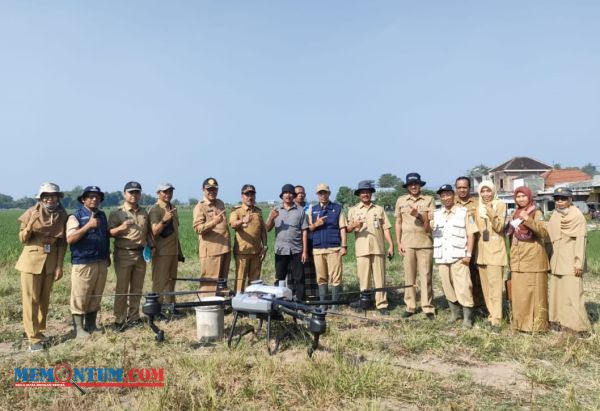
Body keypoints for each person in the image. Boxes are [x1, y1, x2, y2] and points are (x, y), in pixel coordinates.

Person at [16, 182, 68, 352]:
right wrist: (30, 225)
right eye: (47, 196)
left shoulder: (61, 215)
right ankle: (32, 338)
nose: (50, 199)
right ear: (41, 198)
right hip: (31, 261)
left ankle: (39, 331)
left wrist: (59, 265)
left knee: (44, 299)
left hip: (51, 261)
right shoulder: (31, 212)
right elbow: (23, 238)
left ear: (58, 198)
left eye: (53, 196)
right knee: (31, 300)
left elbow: (62, 243)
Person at [109, 181, 154, 331]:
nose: (134, 195)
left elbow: (147, 232)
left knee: (137, 287)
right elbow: (109, 233)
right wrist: (121, 227)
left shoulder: (143, 212)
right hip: (124, 253)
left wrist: (150, 246)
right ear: (124, 194)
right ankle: (119, 319)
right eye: (131, 192)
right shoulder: (117, 212)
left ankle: (134, 316)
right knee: (122, 288)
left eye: (137, 192)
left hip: (140, 254)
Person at [66, 186, 110, 338]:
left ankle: (91, 325)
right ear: (83, 199)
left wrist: (107, 256)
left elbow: (105, 236)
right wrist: (87, 226)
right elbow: (70, 239)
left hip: (101, 261)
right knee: (80, 296)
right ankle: (78, 330)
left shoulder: (102, 215)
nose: (94, 199)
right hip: (83, 262)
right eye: (91, 196)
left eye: (97, 197)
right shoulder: (75, 216)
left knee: (96, 295)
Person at [432, 185, 478, 328]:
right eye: (443, 196)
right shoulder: (436, 214)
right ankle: (454, 313)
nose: (446, 198)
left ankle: (467, 318)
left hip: (459, 256)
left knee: (463, 287)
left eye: (448, 194)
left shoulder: (464, 213)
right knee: (447, 286)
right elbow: (429, 230)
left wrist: (468, 254)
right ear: (440, 198)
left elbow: (471, 234)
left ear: (454, 195)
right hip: (442, 257)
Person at [547, 187, 592, 334]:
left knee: (573, 295)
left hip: (571, 262)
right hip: (557, 261)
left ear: (570, 199)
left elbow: (581, 241)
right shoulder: (555, 215)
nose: (560, 201)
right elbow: (550, 238)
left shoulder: (577, 216)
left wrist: (579, 263)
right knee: (557, 294)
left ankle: (579, 327)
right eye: (557, 198)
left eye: (563, 198)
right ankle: (558, 322)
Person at [347, 180, 394, 315]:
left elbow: (386, 228)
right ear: (359, 194)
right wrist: (355, 225)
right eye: (362, 192)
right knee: (364, 278)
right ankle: (365, 303)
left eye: (367, 192)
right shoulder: (353, 210)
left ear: (371, 193)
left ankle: (381, 304)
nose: (365, 194)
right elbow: (347, 229)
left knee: (380, 278)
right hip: (362, 249)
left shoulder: (379, 209)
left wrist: (391, 244)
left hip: (378, 248)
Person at [506, 186, 549, 332]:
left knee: (535, 295)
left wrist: (528, 220)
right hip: (518, 260)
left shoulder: (536, 212)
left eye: (523, 196)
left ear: (529, 197)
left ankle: (537, 327)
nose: (521, 199)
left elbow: (543, 232)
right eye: (518, 196)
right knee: (520, 294)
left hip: (533, 261)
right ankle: (521, 325)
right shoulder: (514, 214)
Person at [394, 173, 435, 319]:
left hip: (425, 243)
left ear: (420, 185)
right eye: (410, 184)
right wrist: (398, 243)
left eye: (416, 184)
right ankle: (410, 306)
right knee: (409, 277)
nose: (413, 186)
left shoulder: (429, 200)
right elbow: (398, 222)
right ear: (407, 187)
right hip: (407, 244)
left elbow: (429, 224)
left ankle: (428, 307)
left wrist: (418, 214)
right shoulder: (401, 200)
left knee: (426, 276)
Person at [474, 181, 508, 330]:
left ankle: (497, 319)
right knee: (486, 288)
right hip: (481, 252)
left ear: (494, 191)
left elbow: (499, 226)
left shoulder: (500, 205)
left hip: (495, 251)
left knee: (495, 288)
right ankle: (491, 315)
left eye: (488, 191)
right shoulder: (477, 207)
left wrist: (490, 210)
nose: (486, 194)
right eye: (483, 191)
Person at [308, 183, 348, 310]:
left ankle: (335, 305)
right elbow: (309, 228)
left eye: (325, 192)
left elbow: (343, 228)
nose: (323, 195)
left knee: (336, 277)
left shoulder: (337, 208)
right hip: (318, 249)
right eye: (320, 193)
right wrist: (316, 224)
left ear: (329, 193)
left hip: (334, 248)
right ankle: (323, 304)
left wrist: (344, 246)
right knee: (321, 277)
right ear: (317, 195)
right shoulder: (312, 209)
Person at [266, 184, 308, 300]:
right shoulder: (276, 210)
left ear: (293, 195)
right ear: (282, 196)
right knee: (280, 277)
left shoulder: (300, 211)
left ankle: (299, 303)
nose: (288, 195)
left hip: (297, 249)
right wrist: (271, 218)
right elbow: (267, 228)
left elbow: (304, 231)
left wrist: (305, 251)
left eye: (290, 193)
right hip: (281, 249)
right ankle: (280, 301)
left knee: (299, 278)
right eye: (285, 193)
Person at [149, 183, 184, 314]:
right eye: (164, 192)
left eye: (170, 191)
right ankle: (156, 310)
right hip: (161, 252)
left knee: (171, 281)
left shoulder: (173, 207)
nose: (168, 194)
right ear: (158, 193)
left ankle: (170, 307)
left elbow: (175, 232)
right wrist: (164, 220)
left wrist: (179, 251)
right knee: (159, 282)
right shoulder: (155, 209)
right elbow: (153, 231)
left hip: (173, 252)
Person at [192, 178, 231, 295]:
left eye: (214, 189)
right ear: (203, 190)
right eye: (209, 189)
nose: (212, 192)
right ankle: (206, 306)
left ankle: (220, 304)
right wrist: (214, 222)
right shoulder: (200, 207)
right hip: (211, 251)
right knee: (209, 281)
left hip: (225, 248)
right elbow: (198, 228)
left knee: (222, 281)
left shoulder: (220, 203)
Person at [455, 176, 486, 311]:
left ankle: (479, 305)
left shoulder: (478, 203)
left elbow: (485, 224)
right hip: (458, 245)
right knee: (460, 277)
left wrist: (486, 240)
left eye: (464, 187)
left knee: (477, 275)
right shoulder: (452, 202)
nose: (462, 190)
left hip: (476, 244)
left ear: (469, 188)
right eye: (459, 187)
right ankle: (461, 304)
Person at [229, 184, 267, 292]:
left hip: (256, 252)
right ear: (242, 196)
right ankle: (238, 303)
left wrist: (264, 246)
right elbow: (232, 224)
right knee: (240, 279)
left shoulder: (258, 211)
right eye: (247, 194)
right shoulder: (237, 210)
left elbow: (262, 230)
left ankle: (252, 305)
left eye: (252, 194)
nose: (250, 197)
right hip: (242, 252)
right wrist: (242, 221)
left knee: (255, 281)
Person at [295, 185, 318, 298]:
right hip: (294, 243)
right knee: (297, 271)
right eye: (298, 193)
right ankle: (296, 294)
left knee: (310, 270)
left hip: (310, 241)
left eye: (302, 193)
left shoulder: (311, 208)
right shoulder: (291, 208)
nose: (301, 195)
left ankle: (312, 294)